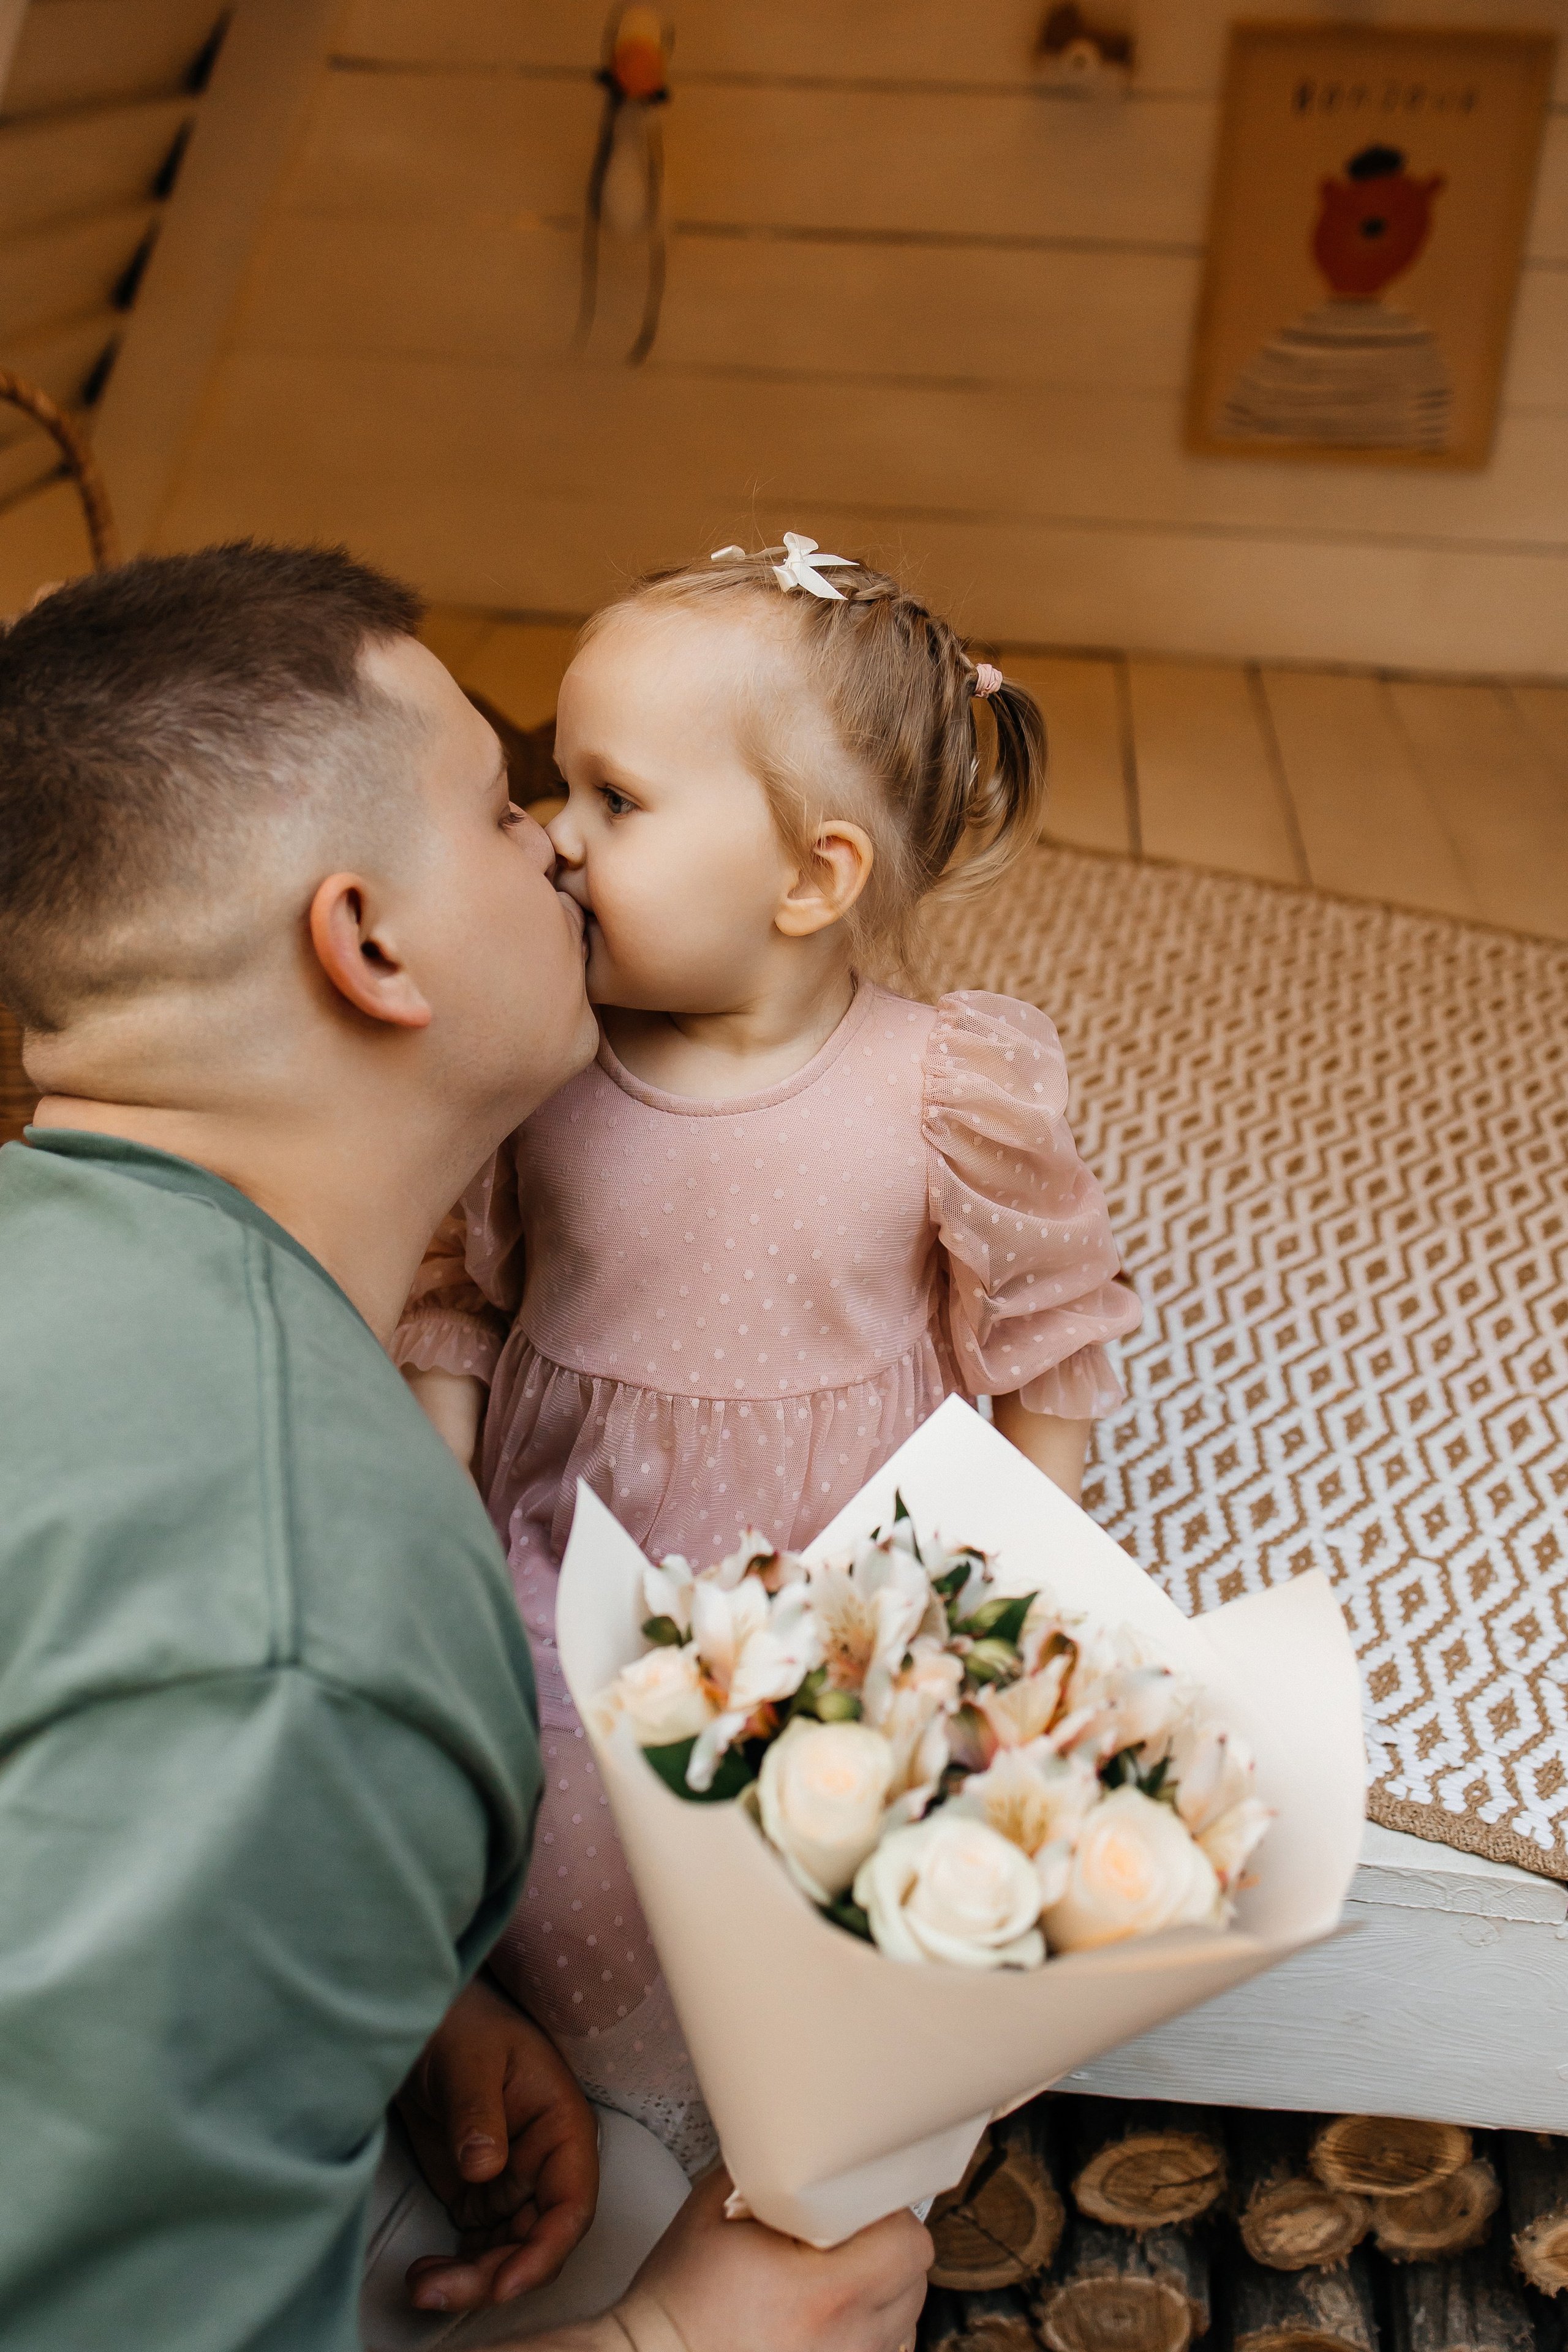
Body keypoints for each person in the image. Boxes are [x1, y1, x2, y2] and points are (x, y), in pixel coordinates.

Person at [0, 543, 930, 2351]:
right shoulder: (311, 1626)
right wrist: (672, 2345)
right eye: (507, 813)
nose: (562, 846)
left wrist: (390, 1986)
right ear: (368, 944)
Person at [394, 537, 1142, 2169]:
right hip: (569, 1533)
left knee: (885, 1827)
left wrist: (1017, 1559)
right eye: (551, 789)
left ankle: (798, 2087)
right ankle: (583, 2086)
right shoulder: (542, 1055)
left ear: (810, 879)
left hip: (841, 1559)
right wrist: (436, 1490)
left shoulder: (942, 1085)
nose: (556, 843)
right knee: (533, 1804)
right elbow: (457, 1282)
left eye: (614, 801)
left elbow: (1047, 1324)